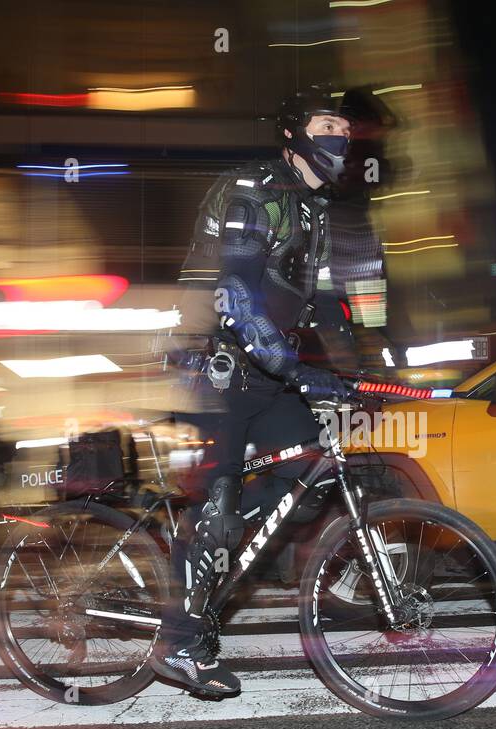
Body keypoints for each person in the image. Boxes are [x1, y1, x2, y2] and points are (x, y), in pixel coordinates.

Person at [149, 87, 363, 698]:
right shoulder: (253, 191)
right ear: (295, 134)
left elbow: (317, 302)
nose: (340, 139)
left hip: (265, 372)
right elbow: (237, 293)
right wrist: (293, 368)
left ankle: (210, 554)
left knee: (312, 465)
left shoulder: (312, 207)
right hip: (212, 375)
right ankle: (180, 642)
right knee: (215, 512)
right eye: (327, 126)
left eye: (345, 130)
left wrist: (350, 367)